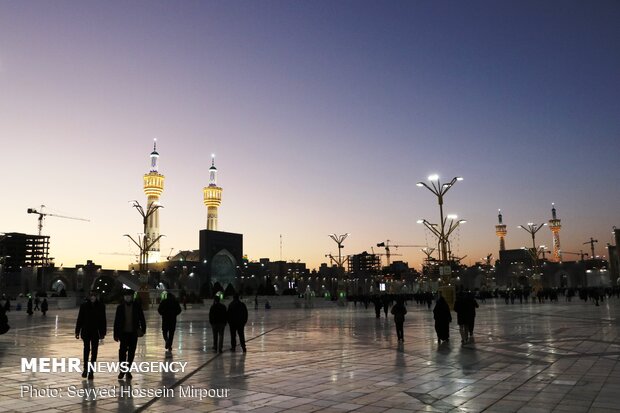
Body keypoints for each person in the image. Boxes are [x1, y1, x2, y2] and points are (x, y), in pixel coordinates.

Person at [113, 289, 146, 380]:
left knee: (131, 352)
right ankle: (122, 370)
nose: (127, 298)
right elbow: (117, 322)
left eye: (129, 296)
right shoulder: (120, 307)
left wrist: (143, 329)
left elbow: (142, 318)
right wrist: (115, 334)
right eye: (126, 296)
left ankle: (128, 370)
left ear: (132, 297)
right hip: (123, 333)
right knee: (122, 352)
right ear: (124, 297)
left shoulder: (136, 306)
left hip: (133, 333)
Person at [75, 291, 106, 380]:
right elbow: (80, 319)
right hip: (86, 331)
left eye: (94, 296)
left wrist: (102, 332)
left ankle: (91, 371)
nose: (92, 297)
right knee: (86, 350)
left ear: (96, 297)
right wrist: (77, 331)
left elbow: (103, 320)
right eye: (91, 296)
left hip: (95, 332)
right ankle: (85, 369)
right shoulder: (84, 306)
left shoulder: (101, 306)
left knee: (94, 351)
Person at [158, 292, 182, 357]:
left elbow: (159, 309)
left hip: (165, 319)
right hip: (173, 320)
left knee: (164, 331)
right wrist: (175, 314)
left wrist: (163, 313)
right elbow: (179, 310)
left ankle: (166, 340)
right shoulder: (175, 302)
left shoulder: (164, 301)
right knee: (171, 333)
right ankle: (169, 346)